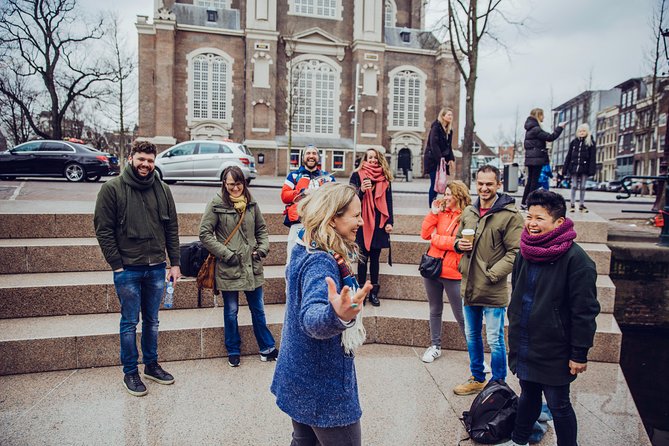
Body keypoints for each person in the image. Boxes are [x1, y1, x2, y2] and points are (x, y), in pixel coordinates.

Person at [271, 182, 373, 446]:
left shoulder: (306, 246)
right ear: (333, 217)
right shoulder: (322, 261)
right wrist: (337, 315)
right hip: (322, 385)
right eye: (356, 215)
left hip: (299, 374)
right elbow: (312, 318)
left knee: (303, 441)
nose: (361, 221)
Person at [500, 189, 600, 446]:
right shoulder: (525, 251)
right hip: (526, 342)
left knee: (559, 405)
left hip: (556, 347)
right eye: (529, 216)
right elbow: (518, 293)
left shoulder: (577, 260)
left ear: (558, 222)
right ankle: (519, 440)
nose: (531, 224)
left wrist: (579, 353)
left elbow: (585, 311)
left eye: (539, 218)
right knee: (528, 396)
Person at [94, 140, 181, 397]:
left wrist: (174, 263)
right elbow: (103, 229)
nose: (146, 164)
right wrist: (117, 266)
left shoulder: (163, 189)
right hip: (128, 270)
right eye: (141, 159)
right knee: (130, 322)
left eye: (150, 160)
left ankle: (151, 366)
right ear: (130, 157)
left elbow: (171, 229)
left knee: (152, 321)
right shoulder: (112, 189)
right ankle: (130, 371)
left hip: (156, 268)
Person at [452, 165, 524, 395]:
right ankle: (477, 377)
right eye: (480, 183)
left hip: (493, 286)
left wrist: (492, 274)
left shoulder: (511, 216)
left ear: (498, 184)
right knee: (471, 335)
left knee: (495, 339)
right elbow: (456, 239)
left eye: (489, 184)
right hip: (469, 284)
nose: (484, 188)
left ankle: (498, 384)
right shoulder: (469, 212)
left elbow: (516, 253)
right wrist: (457, 245)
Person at [199, 166, 277, 368]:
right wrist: (227, 255)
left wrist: (262, 250)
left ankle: (267, 348)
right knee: (231, 311)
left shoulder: (252, 203)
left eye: (239, 183)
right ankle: (233, 350)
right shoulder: (216, 204)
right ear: (224, 183)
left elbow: (262, 229)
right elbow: (205, 234)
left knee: (258, 309)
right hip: (229, 266)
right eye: (231, 183)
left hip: (252, 264)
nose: (236, 188)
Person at [420, 180, 470, 363]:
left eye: (450, 194)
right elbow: (425, 234)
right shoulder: (440, 213)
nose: (446, 197)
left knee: (461, 314)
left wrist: (437, 240)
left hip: (453, 271)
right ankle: (435, 346)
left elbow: (461, 244)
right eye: (445, 193)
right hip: (432, 268)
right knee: (435, 309)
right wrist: (433, 213)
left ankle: (474, 353)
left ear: (459, 195)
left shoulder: (466, 216)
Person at [349, 148, 394, 306]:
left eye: (376, 158)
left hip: (379, 224)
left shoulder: (384, 179)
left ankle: (374, 293)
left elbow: (389, 201)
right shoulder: (357, 175)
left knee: (375, 260)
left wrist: (390, 222)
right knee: (362, 259)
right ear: (365, 160)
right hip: (361, 223)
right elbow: (350, 199)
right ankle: (361, 293)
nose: (373, 160)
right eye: (370, 158)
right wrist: (361, 190)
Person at [281, 144, 335, 263]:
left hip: (320, 225)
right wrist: (303, 192)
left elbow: (335, 198)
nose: (311, 156)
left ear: (318, 157)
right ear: (303, 157)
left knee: (318, 260)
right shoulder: (293, 176)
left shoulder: (327, 178)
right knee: (292, 261)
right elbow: (284, 196)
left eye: (314, 153)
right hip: (298, 223)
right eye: (308, 153)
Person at [521, 108, 565, 209]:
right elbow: (550, 137)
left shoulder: (529, 129)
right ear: (538, 115)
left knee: (530, 182)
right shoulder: (536, 129)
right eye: (542, 115)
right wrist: (560, 127)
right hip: (537, 159)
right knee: (534, 182)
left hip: (530, 158)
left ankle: (524, 202)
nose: (543, 117)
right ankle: (529, 203)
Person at [424, 107, 456, 207]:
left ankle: (439, 205)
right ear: (443, 116)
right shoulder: (436, 127)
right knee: (435, 184)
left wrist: (451, 159)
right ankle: (431, 207)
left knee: (441, 183)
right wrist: (440, 159)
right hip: (433, 160)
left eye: (451, 115)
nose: (450, 116)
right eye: (448, 115)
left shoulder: (449, 130)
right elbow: (434, 144)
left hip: (442, 161)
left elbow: (449, 146)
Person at [562, 124, 597, 213]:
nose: (581, 133)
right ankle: (572, 204)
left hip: (584, 168)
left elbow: (592, 158)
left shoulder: (590, 143)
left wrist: (592, 170)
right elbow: (569, 156)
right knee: (574, 186)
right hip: (574, 167)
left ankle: (581, 204)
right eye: (580, 131)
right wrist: (565, 169)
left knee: (582, 186)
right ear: (577, 132)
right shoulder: (573, 143)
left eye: (583, 131)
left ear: (587, 132)